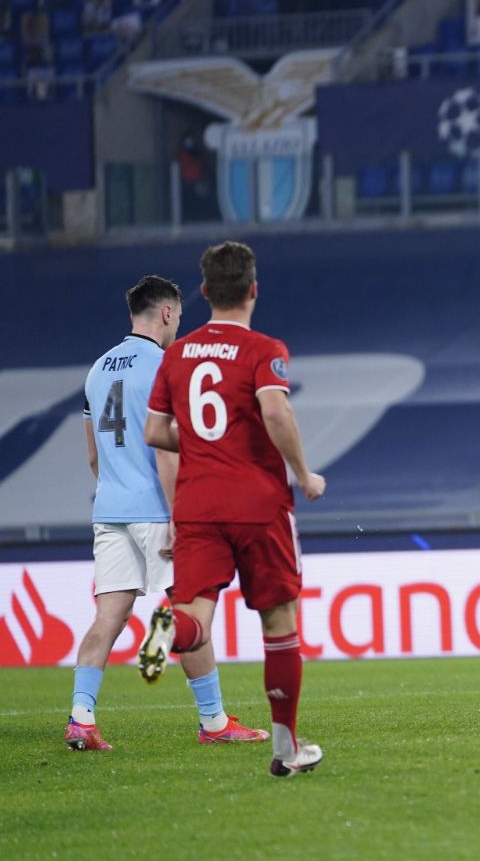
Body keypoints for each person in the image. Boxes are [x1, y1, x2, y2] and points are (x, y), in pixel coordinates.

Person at [141, 241, 329, 776]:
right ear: (253, 290)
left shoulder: (176, 355)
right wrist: (302, 474)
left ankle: (167, 626)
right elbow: (274, 410)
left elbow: (155, 432)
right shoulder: (263, 349)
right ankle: (286, 749)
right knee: (279, 621)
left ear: (203, 293)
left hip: (198, 505)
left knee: (195, 616)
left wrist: (205, 439)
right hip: (258, 504)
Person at [66, 276, 268, 752]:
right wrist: (180, 516)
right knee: (191, 608)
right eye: (178, 315)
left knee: (106, 618)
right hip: (155, 508)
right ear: (167, 314)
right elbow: (166, 451)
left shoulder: (96, 371)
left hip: (110, 508)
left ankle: (81, 717)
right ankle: (213, 721)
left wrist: (113, 491)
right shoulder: (166, 364)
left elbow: (93, 456)